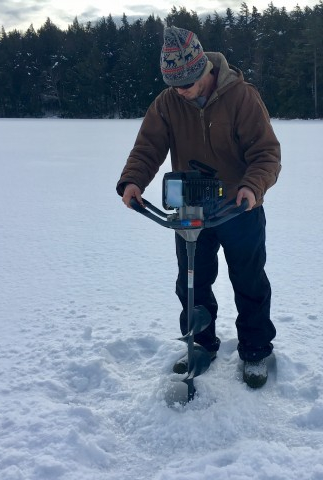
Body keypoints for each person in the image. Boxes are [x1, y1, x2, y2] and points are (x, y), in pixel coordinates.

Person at [116, 26, 281, 388]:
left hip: (239, 208)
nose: (181, 92)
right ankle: (200, 344)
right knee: (192, 284)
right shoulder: (167, 103)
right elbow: (148, 148)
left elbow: (266, 154)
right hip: (191, 208)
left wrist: (252, 188)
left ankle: (255, 351)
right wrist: (133, 181)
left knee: (249, 281)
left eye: (187, 84)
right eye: (174, 85)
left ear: (204, 68)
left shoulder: (241, 98)